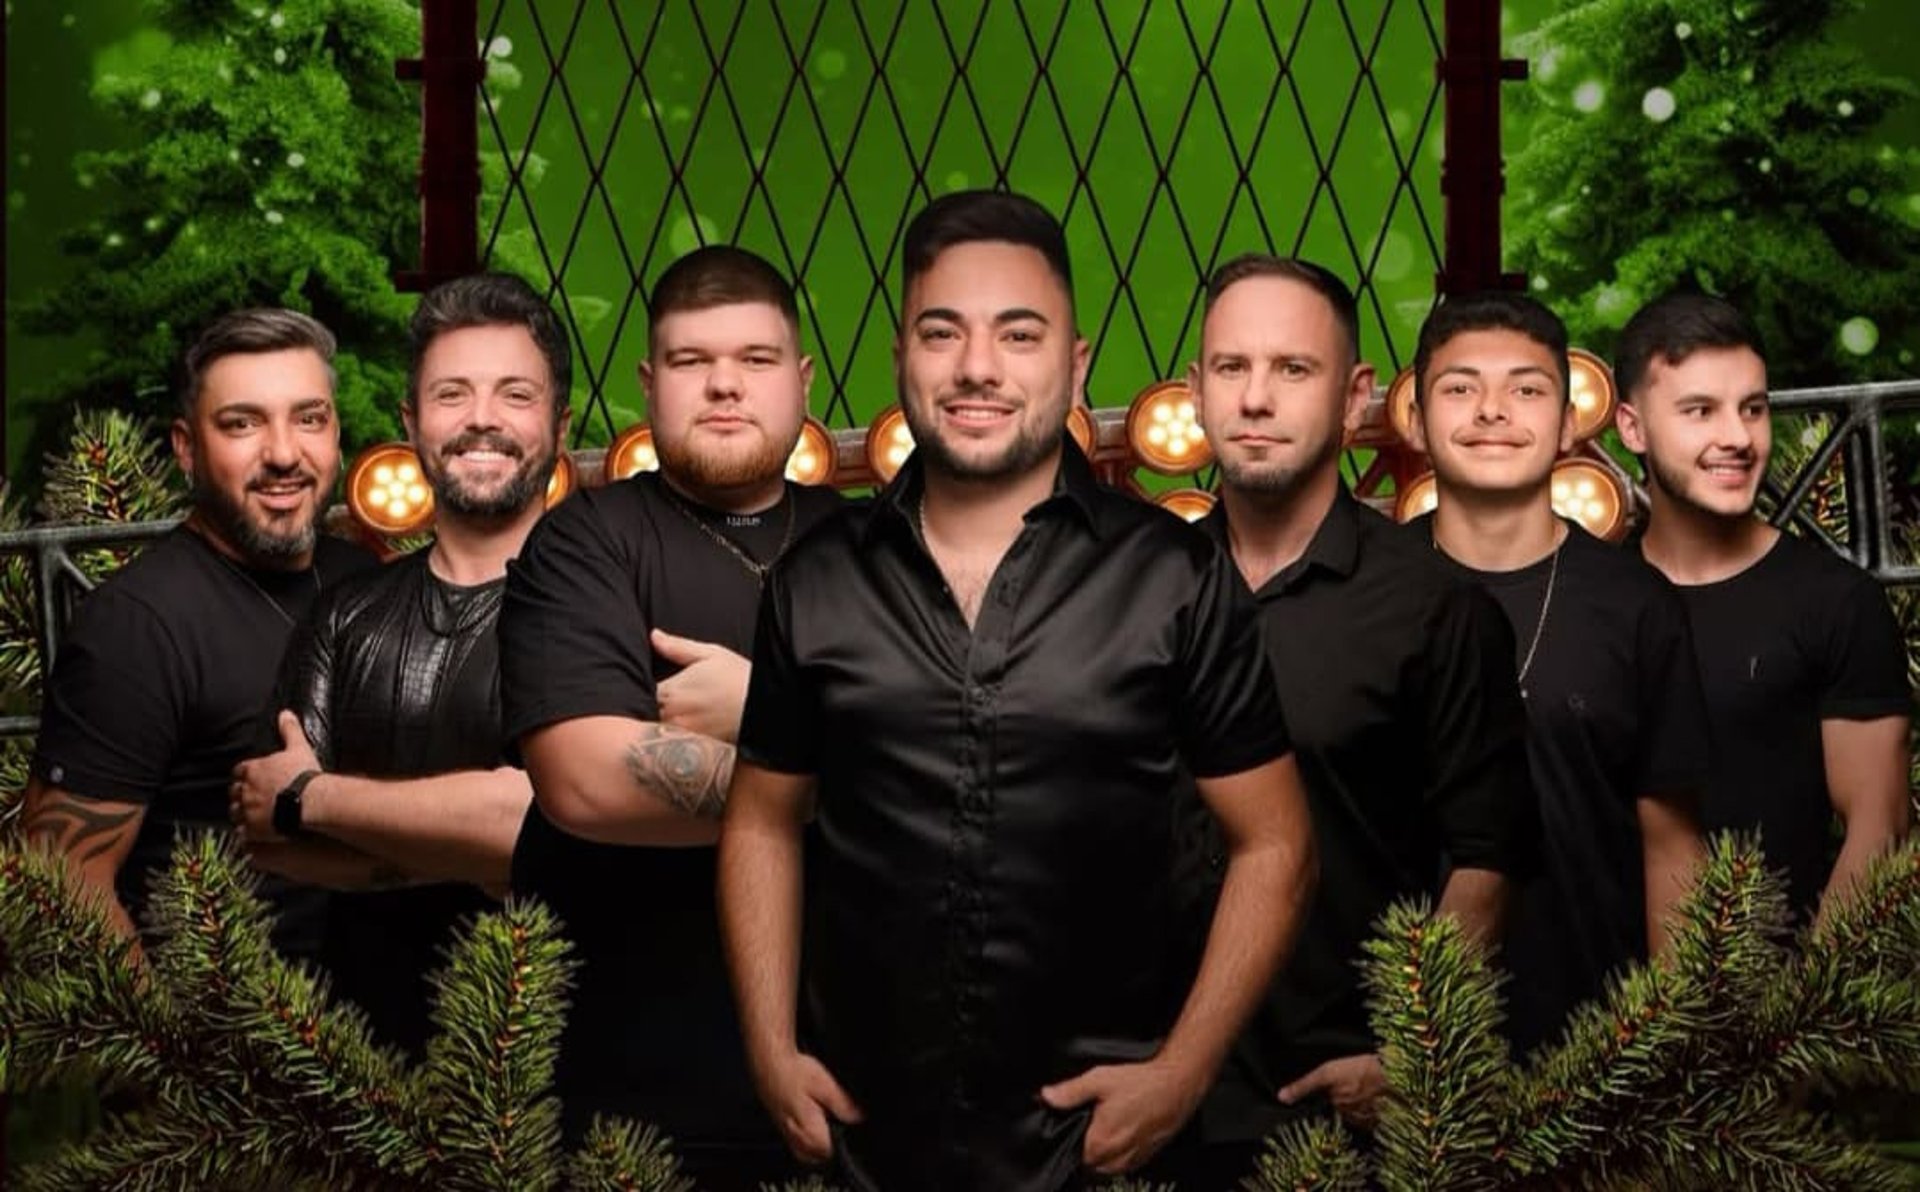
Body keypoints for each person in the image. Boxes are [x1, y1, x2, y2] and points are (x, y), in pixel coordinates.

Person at [718, 190, 1317, 1192]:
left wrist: (1183, 1071)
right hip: (863, 1147)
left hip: (1105, 1151)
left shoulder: (1174, 577)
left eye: (1019, 333)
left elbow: (1277, 842)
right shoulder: (817, 578)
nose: (978, 367)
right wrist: (770, 1047)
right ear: (902, 354)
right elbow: (762, 823)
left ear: (1075, 362)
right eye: (941, 331)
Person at [496, 246, 842, 1187]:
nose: (724, 386)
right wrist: (863, 771)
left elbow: (991, 752)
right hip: (632, 1098)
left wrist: (757, 709)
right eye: (692, 363)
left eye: (755, 361)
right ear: (650, 384)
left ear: (802, 379)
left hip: (861, 1080)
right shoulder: (584, 543)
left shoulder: (872, 544)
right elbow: (588, 784)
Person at [1180, 255, 1532, 1167]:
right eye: (1231, 368)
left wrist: (1408, 1057)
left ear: (1354, 396)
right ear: (1196, 390)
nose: (1256, 398)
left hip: (1337, 1115)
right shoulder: (1136, 587)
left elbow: (1488, 862)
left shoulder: (1436, 608)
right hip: (1148, 1106)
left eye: (1293, 370)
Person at [228, 272, 567, 1055]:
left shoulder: (608, 607)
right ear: (410, 421)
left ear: (558, 421)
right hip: (367, 1080)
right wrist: (473, 848)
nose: (481, 420)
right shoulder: (346, 613)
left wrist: (319, 799)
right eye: (452, 395)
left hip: (573, 1077)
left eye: (515, 395)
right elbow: (267, 827)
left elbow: (542, 824)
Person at [1404, 291, 1707, 1053]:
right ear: (1414, 419)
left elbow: (1672, 846)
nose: (1492, 410)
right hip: (1394, 1056)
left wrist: (1668, 1043)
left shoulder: (1637, 604)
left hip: (1593, 1046)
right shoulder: (1363, 592)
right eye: (1460, 387)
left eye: (1527, 389)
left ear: (1571, 423)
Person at [24, 308, 374, 956]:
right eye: (242, 424)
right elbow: (63, 885)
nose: (283, 454)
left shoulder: (364, 581)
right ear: (186, 448)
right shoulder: (139, 626)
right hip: (236, 1035)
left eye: (309, 418)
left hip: (397, 1033)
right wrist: (175, 1053)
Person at [1614, 291, 1911, 921]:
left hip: (1790, 995)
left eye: (1752, 409)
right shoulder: (1593, 599)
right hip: (1603, 1010)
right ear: (1631, 427)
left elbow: (1876, 829)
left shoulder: (1835, 601)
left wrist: (1797, 1010)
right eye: (1700, 411)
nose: (1738, 438)